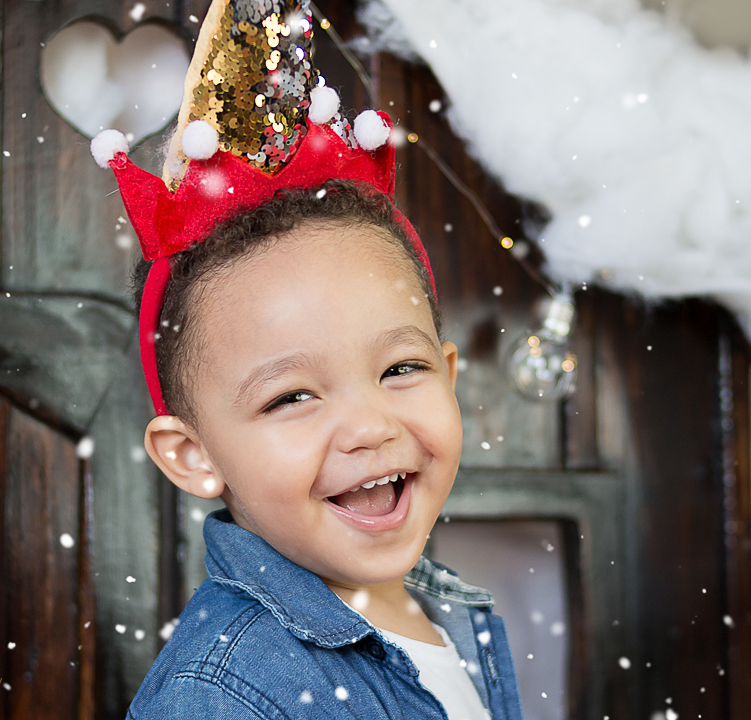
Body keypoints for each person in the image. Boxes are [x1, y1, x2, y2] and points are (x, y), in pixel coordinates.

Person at [89, 0, 524, 716]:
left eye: (399, 370)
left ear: (449, 374)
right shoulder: (224, 694)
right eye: (291, 397)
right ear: (194, 455)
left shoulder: (444, 615)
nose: (369, 427)